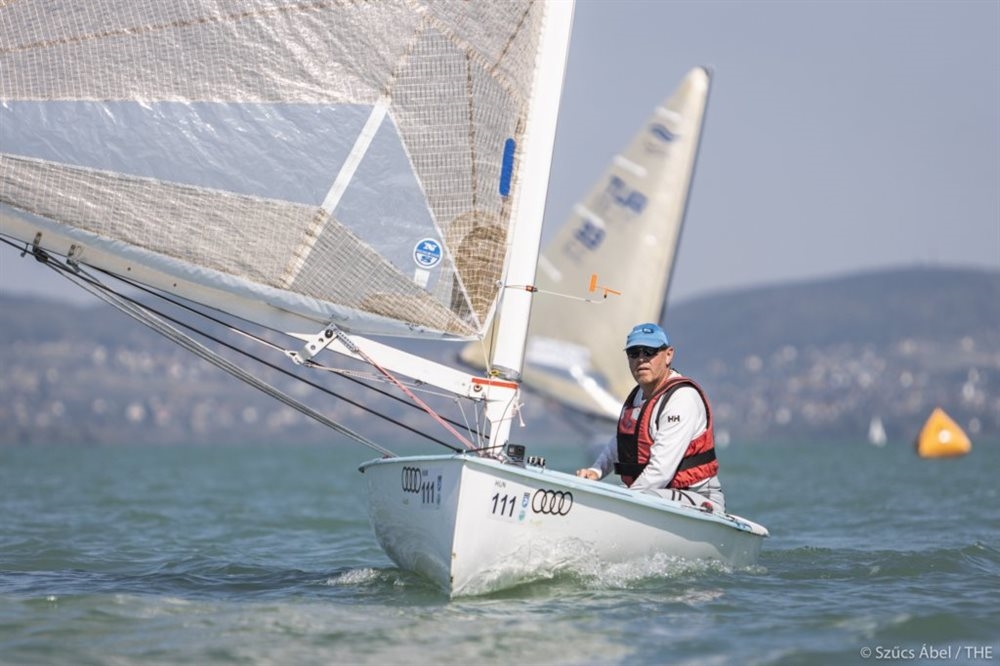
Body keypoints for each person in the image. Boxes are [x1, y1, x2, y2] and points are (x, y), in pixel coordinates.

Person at [575, 322, 725, 512]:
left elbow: (660, 472)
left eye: (649, 351)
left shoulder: (682, 398)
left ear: (668, 355)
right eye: (634, 353)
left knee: (632, 496)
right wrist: (596, 471)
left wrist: (623, 499)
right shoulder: (637, 396)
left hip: (698, 498)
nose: (641, 359)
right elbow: (621, 441)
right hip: (653, 495)